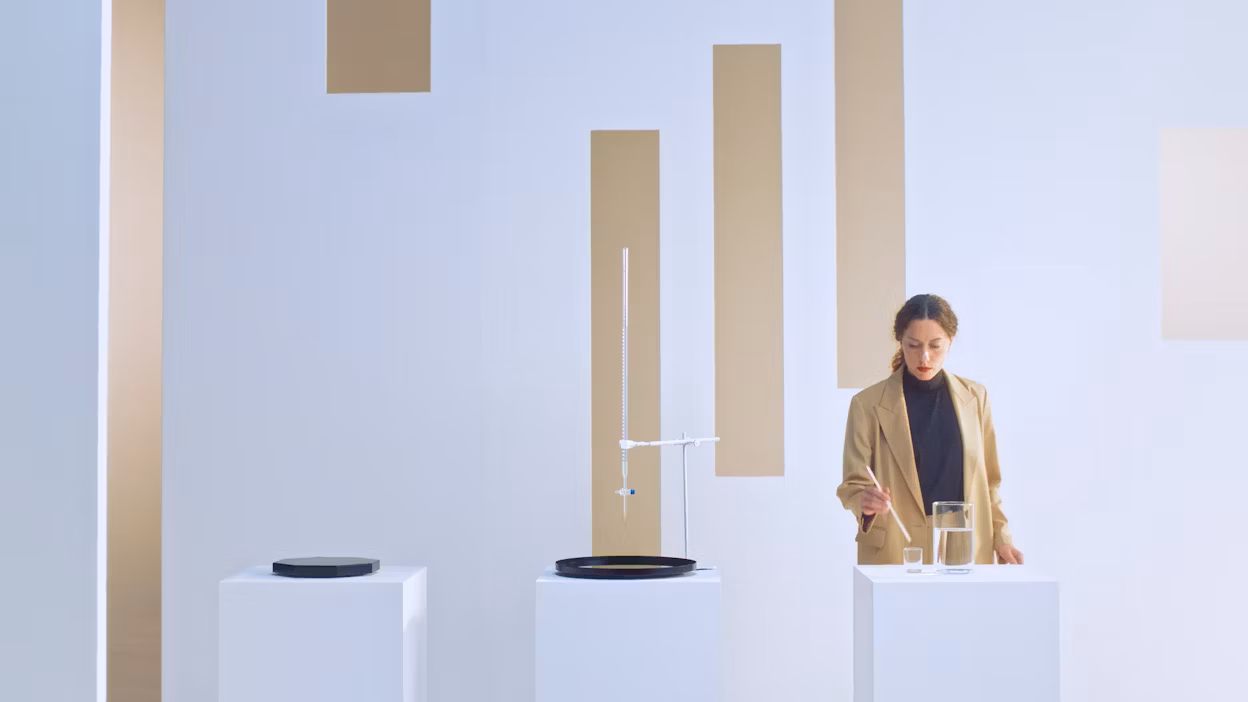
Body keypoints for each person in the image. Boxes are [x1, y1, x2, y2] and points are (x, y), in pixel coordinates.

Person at [836, 294, 1024, 566]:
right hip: (895, 545)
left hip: (965, 539)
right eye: (913, 345)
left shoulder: (976, 397)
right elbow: (853, 485)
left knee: (964, 610)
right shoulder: (867, 405)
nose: (924, 356)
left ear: (950, 341)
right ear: (901, 341)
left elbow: (990, 481)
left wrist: (1002, 537)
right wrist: (864, 501)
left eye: (935, 346)